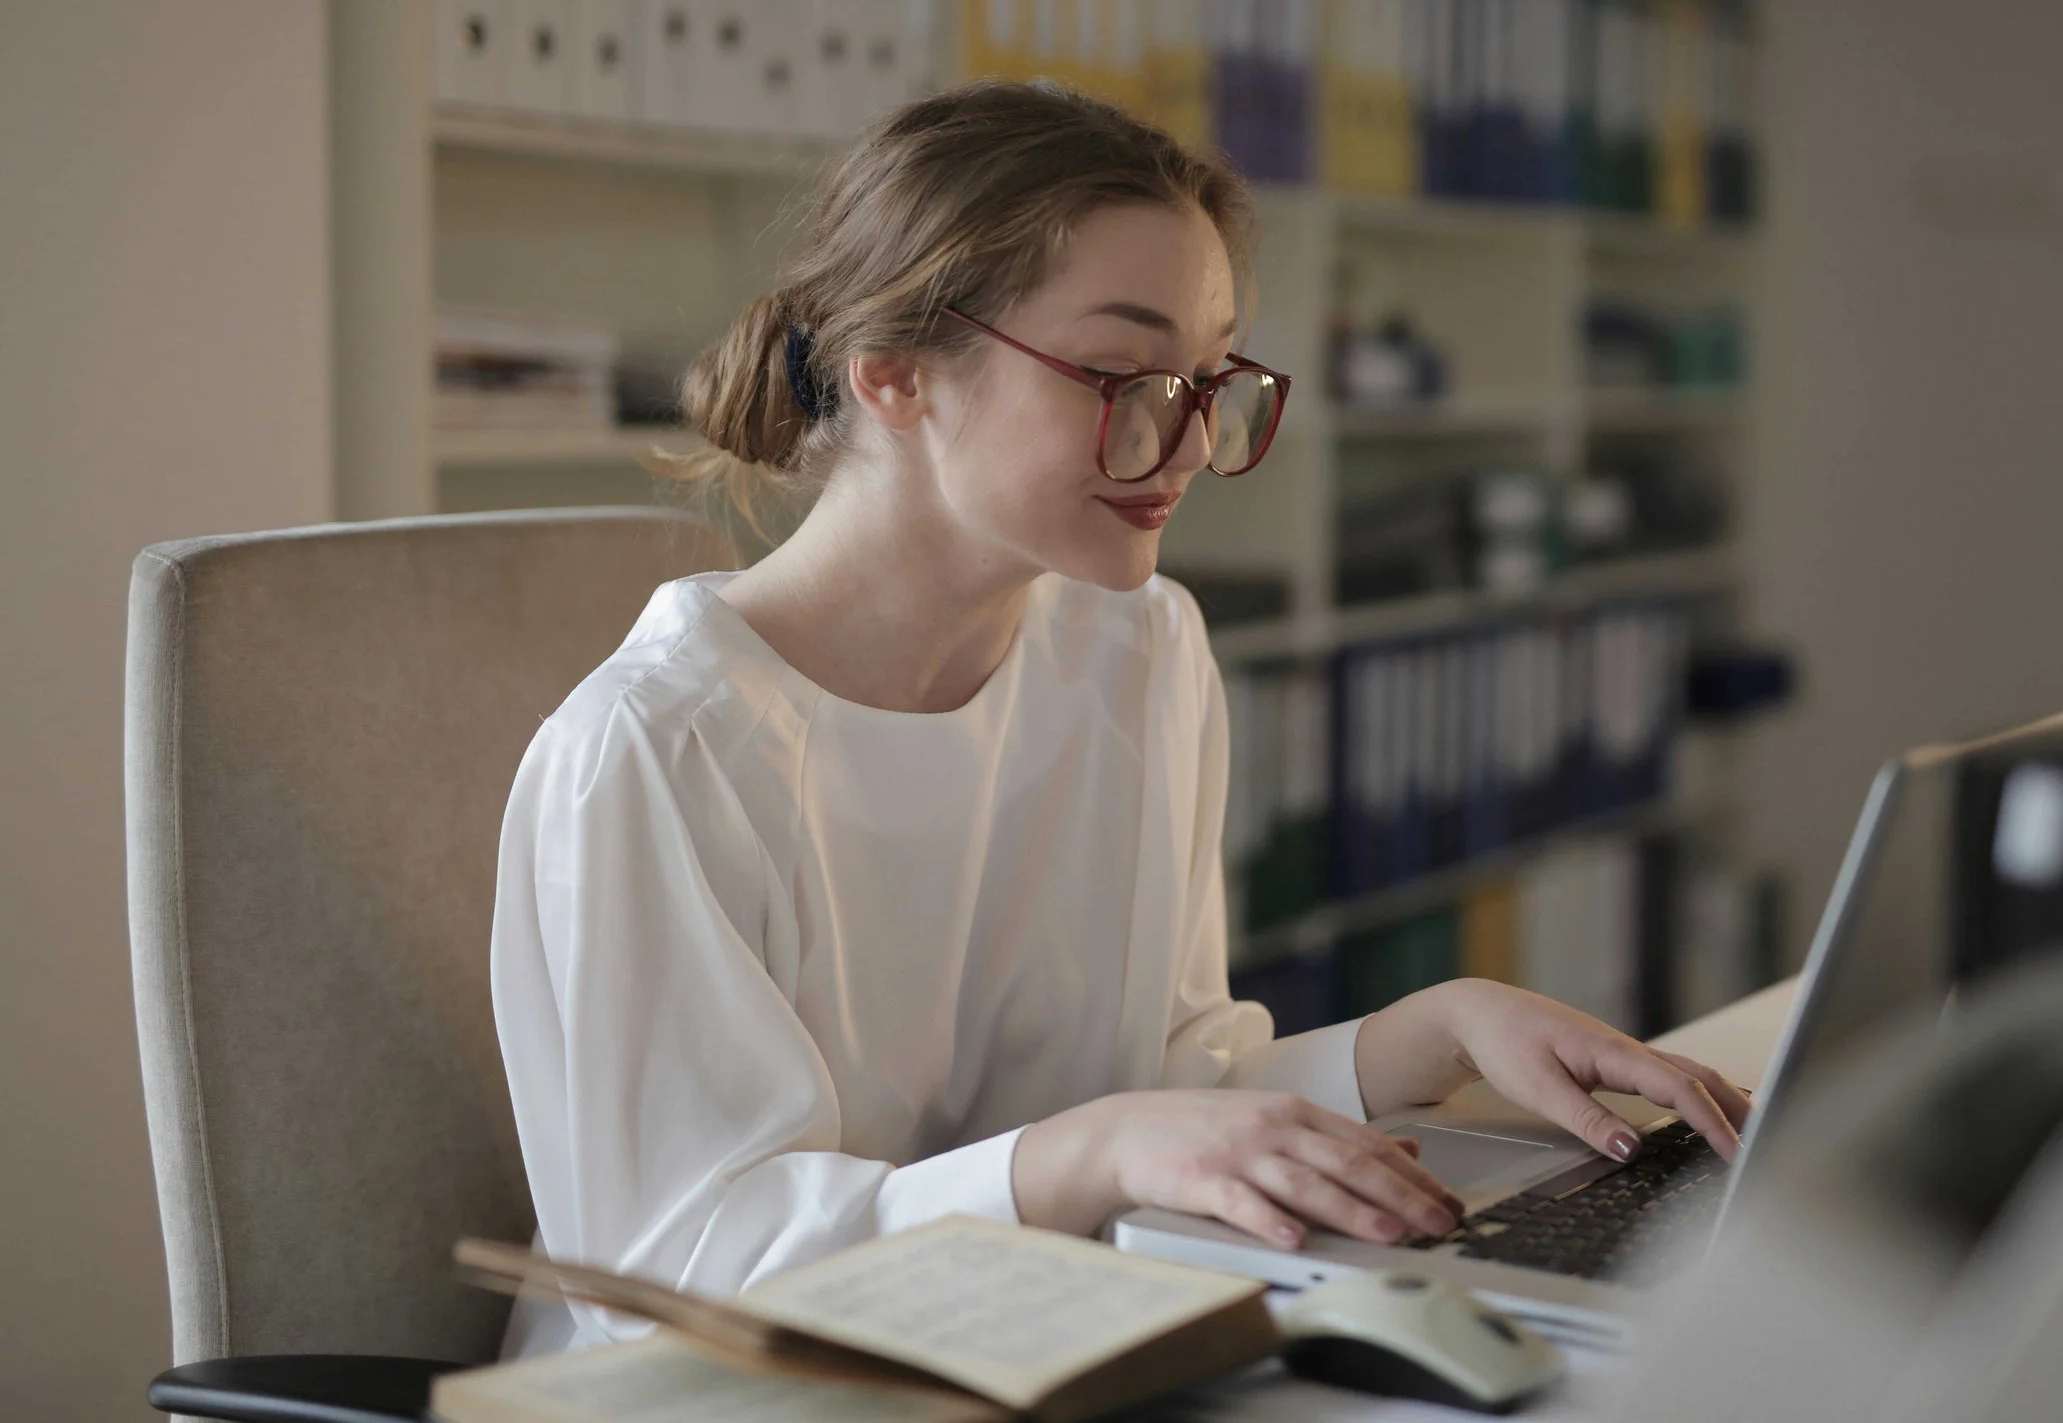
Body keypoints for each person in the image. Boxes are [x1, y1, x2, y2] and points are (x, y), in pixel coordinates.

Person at [491, 81, 1751, 1355]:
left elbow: (1166, 1087)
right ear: (894, 376)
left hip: (1043, 1342)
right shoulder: (658, 748)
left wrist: (1419, 1036)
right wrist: (1087, 1149)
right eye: (1121, 373)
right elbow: (673, 1276)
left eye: (1208, 379)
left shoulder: (1139, 649)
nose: (1189, 443)